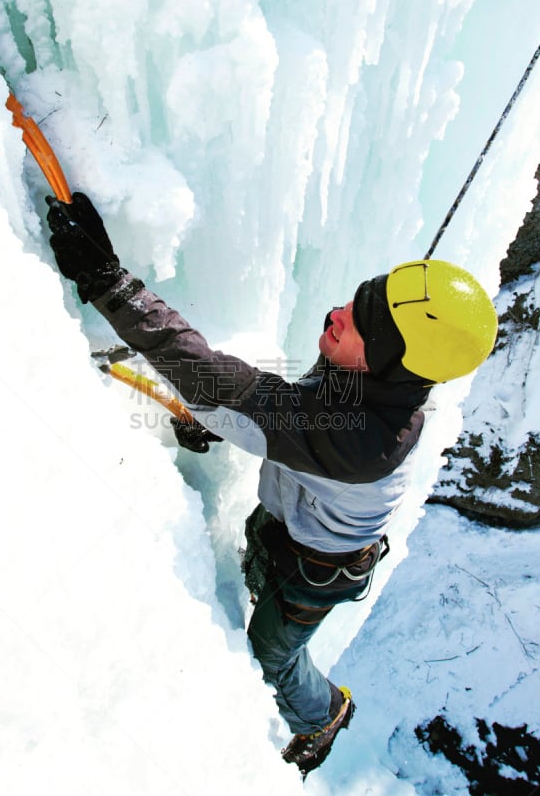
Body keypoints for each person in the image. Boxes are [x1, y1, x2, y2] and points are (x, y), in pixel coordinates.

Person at [45, 192, 498, 776]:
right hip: (296, 521)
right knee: (259, 563)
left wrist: (112, 285)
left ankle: (322, 715)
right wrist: (222, 419)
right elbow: (270, 412)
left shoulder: (359, 439)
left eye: (359, 324)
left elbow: (225, 386)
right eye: (357, 301)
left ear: (389, 362)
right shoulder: (384, 376)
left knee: (272, 654)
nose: (337, 312)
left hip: (320, 569)